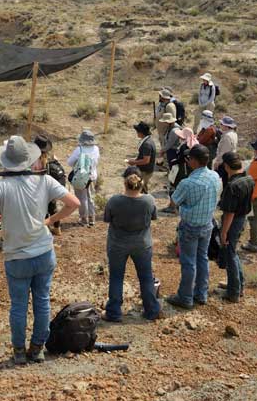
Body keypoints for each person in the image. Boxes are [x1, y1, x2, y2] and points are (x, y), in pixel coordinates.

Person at [0, 136, 80, 365]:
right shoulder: (44, 181)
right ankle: (37, 348)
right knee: (42, 302)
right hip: (43, 251)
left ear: (6, 162)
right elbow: (74, 204)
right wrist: (50, 220)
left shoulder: (2, 186)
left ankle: (19, 351)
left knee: (19, 306)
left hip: (17, 256)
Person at [165, 145, 221, 310]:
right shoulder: (215, 176)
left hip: (190, 226)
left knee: (188, 262)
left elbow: (174, 201)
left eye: (190, 158)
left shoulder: (188, 183)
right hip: (207, 224)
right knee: (202, 259)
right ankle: (201, 294)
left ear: (194, 161)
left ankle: (185, 298)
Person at [102, 168, 161, 322]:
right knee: (146, 277)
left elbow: (107, 219)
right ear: (141, 184)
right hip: (142, 244)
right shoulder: (149, 200)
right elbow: (153, 217)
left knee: (116, 277)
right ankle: (152, 310)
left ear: (125, 183)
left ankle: (114, 312)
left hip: (117, 244)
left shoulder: (114, 200)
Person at [216, 153, 253, 303]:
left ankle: (233, 292)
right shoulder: (248, 179)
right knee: (233, 252)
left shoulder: (232, 186)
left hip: (232, 221)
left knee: (229, 254)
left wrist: (223, 232)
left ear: (226, 166)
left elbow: (229, 212)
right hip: (242, 218)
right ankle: (238, 285)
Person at [66, 129, 101, 226]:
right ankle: (92, 218)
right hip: (92, 175)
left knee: (82, 197)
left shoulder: (79, 149)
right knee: (91, 197)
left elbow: (69, 162)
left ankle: (83, 218)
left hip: (81, 177)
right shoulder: (96, 149)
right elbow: (97, 161)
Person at [125, 122, 157, 194]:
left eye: (137, 131)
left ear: (141, 132)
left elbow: (146, 160)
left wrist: (133, 162)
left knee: (140, 189)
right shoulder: (148, 141)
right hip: (146, 170)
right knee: (143, 188)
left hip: (145, 171)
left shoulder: (146, 144)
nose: (137, 133)